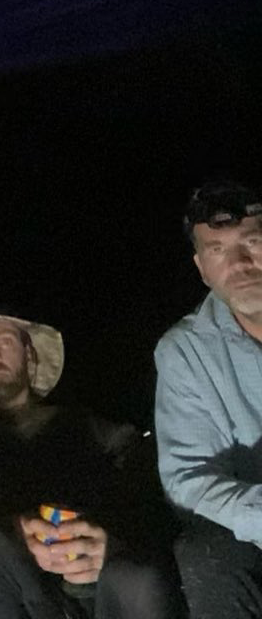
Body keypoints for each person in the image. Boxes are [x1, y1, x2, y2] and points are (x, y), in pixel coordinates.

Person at [0, 302, 178, 619]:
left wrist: (109, 541)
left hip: (97, 594)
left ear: (28, 352)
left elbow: (152, 500)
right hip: (14, 598)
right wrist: (14, 529)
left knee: (140, 576)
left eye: (6, 340)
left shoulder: (96, 431)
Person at [155, 180, 262, 617]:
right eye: (217, 250)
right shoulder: (184, 351)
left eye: (253, 241)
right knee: (204, 554)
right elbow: (189, 479)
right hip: (255, 537)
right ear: (202, 268)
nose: (238, 262)